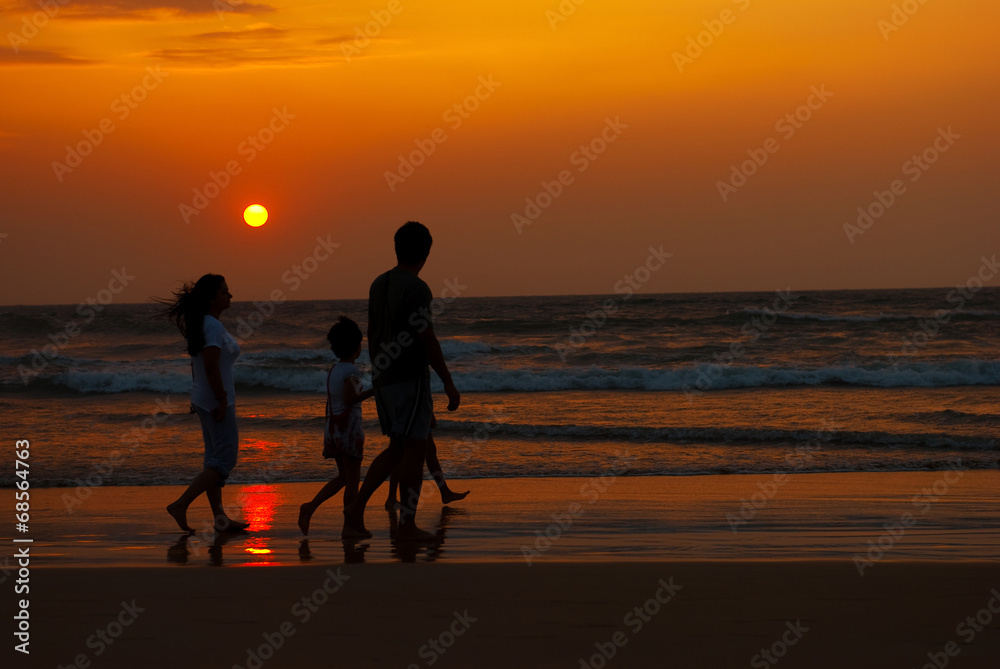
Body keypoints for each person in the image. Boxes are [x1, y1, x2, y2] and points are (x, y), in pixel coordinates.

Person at [342, 221, 461, 540]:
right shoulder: (417, 288)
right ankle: (407, 524)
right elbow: (426, 336)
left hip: (382, 377)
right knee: (416, 449)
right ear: (426, 253)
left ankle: (355, 510)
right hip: (409, 376)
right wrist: (448, 381)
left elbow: (374, 330)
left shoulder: (377, 284)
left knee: (398, 448)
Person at [157, 274, 247, 533]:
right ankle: (180, 504)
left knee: (214, 460)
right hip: (216, 401)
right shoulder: (213, 326)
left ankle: (220, 519)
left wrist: (200, 397)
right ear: (211, 298)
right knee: (225, 460)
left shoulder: (207, 324)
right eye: (224, 291)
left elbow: (197, 365)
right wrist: (220, 400)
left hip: (206, 399)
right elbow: (209, 365)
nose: (230, 295)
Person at [298, 316, 374, 535]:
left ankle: (310, 507)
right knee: (352, 481)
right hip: (348, 430)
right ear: (356, 348)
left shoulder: (334, 370)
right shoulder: (352, 372)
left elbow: (333, 401)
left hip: (333, 428)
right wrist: (374, 391)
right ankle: (349, 526)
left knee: (344, 477)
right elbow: (350, 399)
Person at [384, 414, 469, 509]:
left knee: (426, 450)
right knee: (405, 450)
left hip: (412, 410)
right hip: (416, 411)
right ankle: (392, 498)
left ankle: (445, 492)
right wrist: (429, 412)